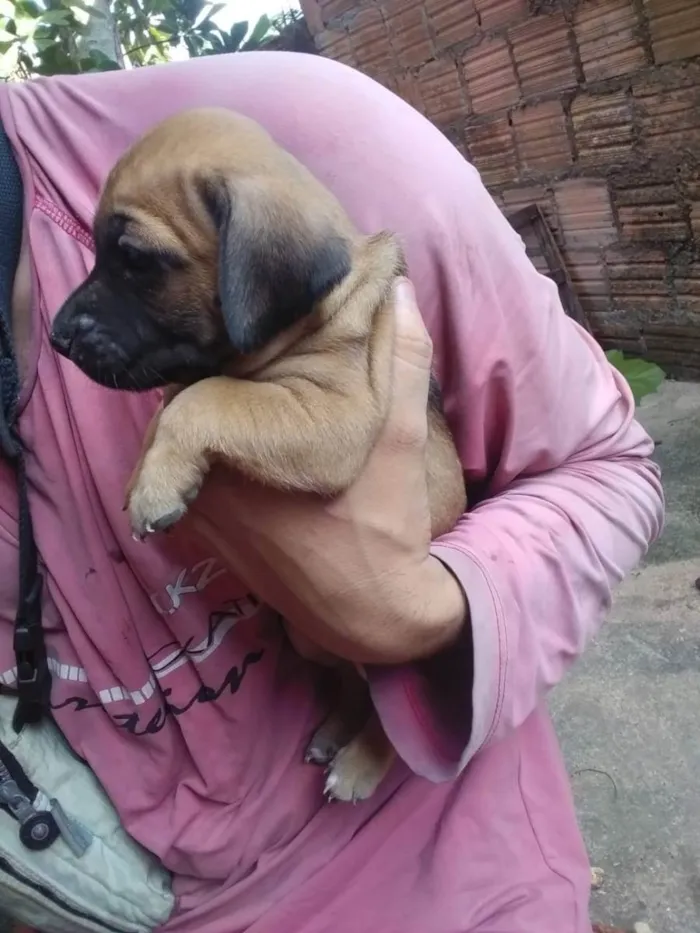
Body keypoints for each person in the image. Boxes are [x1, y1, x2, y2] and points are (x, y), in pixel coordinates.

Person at [0, 50, 663, 933]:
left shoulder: (316, 152)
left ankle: (378, 733)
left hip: (460, 874)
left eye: (138, 264)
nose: (75, 316)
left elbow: (340, 435)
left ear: (260, 272)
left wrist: (405, 607)